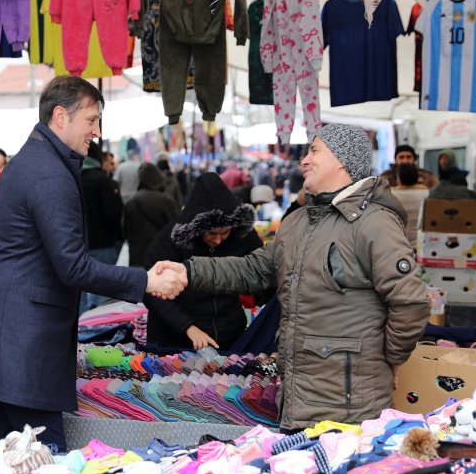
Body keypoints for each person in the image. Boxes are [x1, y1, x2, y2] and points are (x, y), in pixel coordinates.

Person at [0, 75, 186, 452]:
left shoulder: (37, 160)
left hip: (14, 337)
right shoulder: (48, 172)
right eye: (91, 120)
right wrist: (145, 281)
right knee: (43, 464)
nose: (97, 131)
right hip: (23, 344)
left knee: (18, 461)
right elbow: (74, 267)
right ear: (61, 117)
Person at [155, 124, 430, 430]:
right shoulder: (297, 222)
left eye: (314, 151)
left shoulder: (374, 223)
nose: (304, 161)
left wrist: (392, 357)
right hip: (297, 398)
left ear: (342, 160)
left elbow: (411, 301)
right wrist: (189, 271)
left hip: (351, 405)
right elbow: (253, 269)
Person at [143, 172, 264, 352]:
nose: (218, 240)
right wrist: (187, 327)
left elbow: (262, 268)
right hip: (174, 337)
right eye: (211, 233)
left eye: (225, 233)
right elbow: (150, 290)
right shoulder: (172, 236)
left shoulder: (243, 233)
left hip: (229, 332)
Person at [79, 141, 123, 314]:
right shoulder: (103, 180)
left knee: (80, 294)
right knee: (102, 294)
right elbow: (113, 214)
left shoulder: (70, 178)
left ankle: (81, 327)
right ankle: (98, 326)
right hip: (102, 243)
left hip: (76, 245)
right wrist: (118, 236)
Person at [123, 162, 181, 267]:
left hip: (137, 257)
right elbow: (176, 230)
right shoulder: (166, 201)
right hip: (162, 259)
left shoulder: (131, 202)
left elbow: (125, 230)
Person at [391, 163, 429, 245]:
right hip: (420, 245)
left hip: (397, 245)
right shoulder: (426, 194)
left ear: (399, 178)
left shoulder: (390, 195)